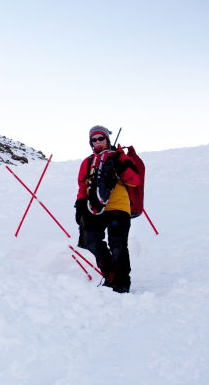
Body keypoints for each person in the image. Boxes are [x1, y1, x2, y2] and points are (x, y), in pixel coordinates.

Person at [74, 125, 140, 293]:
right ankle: (110, 274)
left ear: (107, 139)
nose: (97, 142)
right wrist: (80, 206)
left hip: (118, 206)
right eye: (93, 140)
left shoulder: (119, 157)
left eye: (100, 138)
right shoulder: (87, 162)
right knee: (90, 240)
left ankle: (121, 282)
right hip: (94, 208)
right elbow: (83, 186)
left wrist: (121, 166)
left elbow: (134, 181)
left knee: (117, 243)